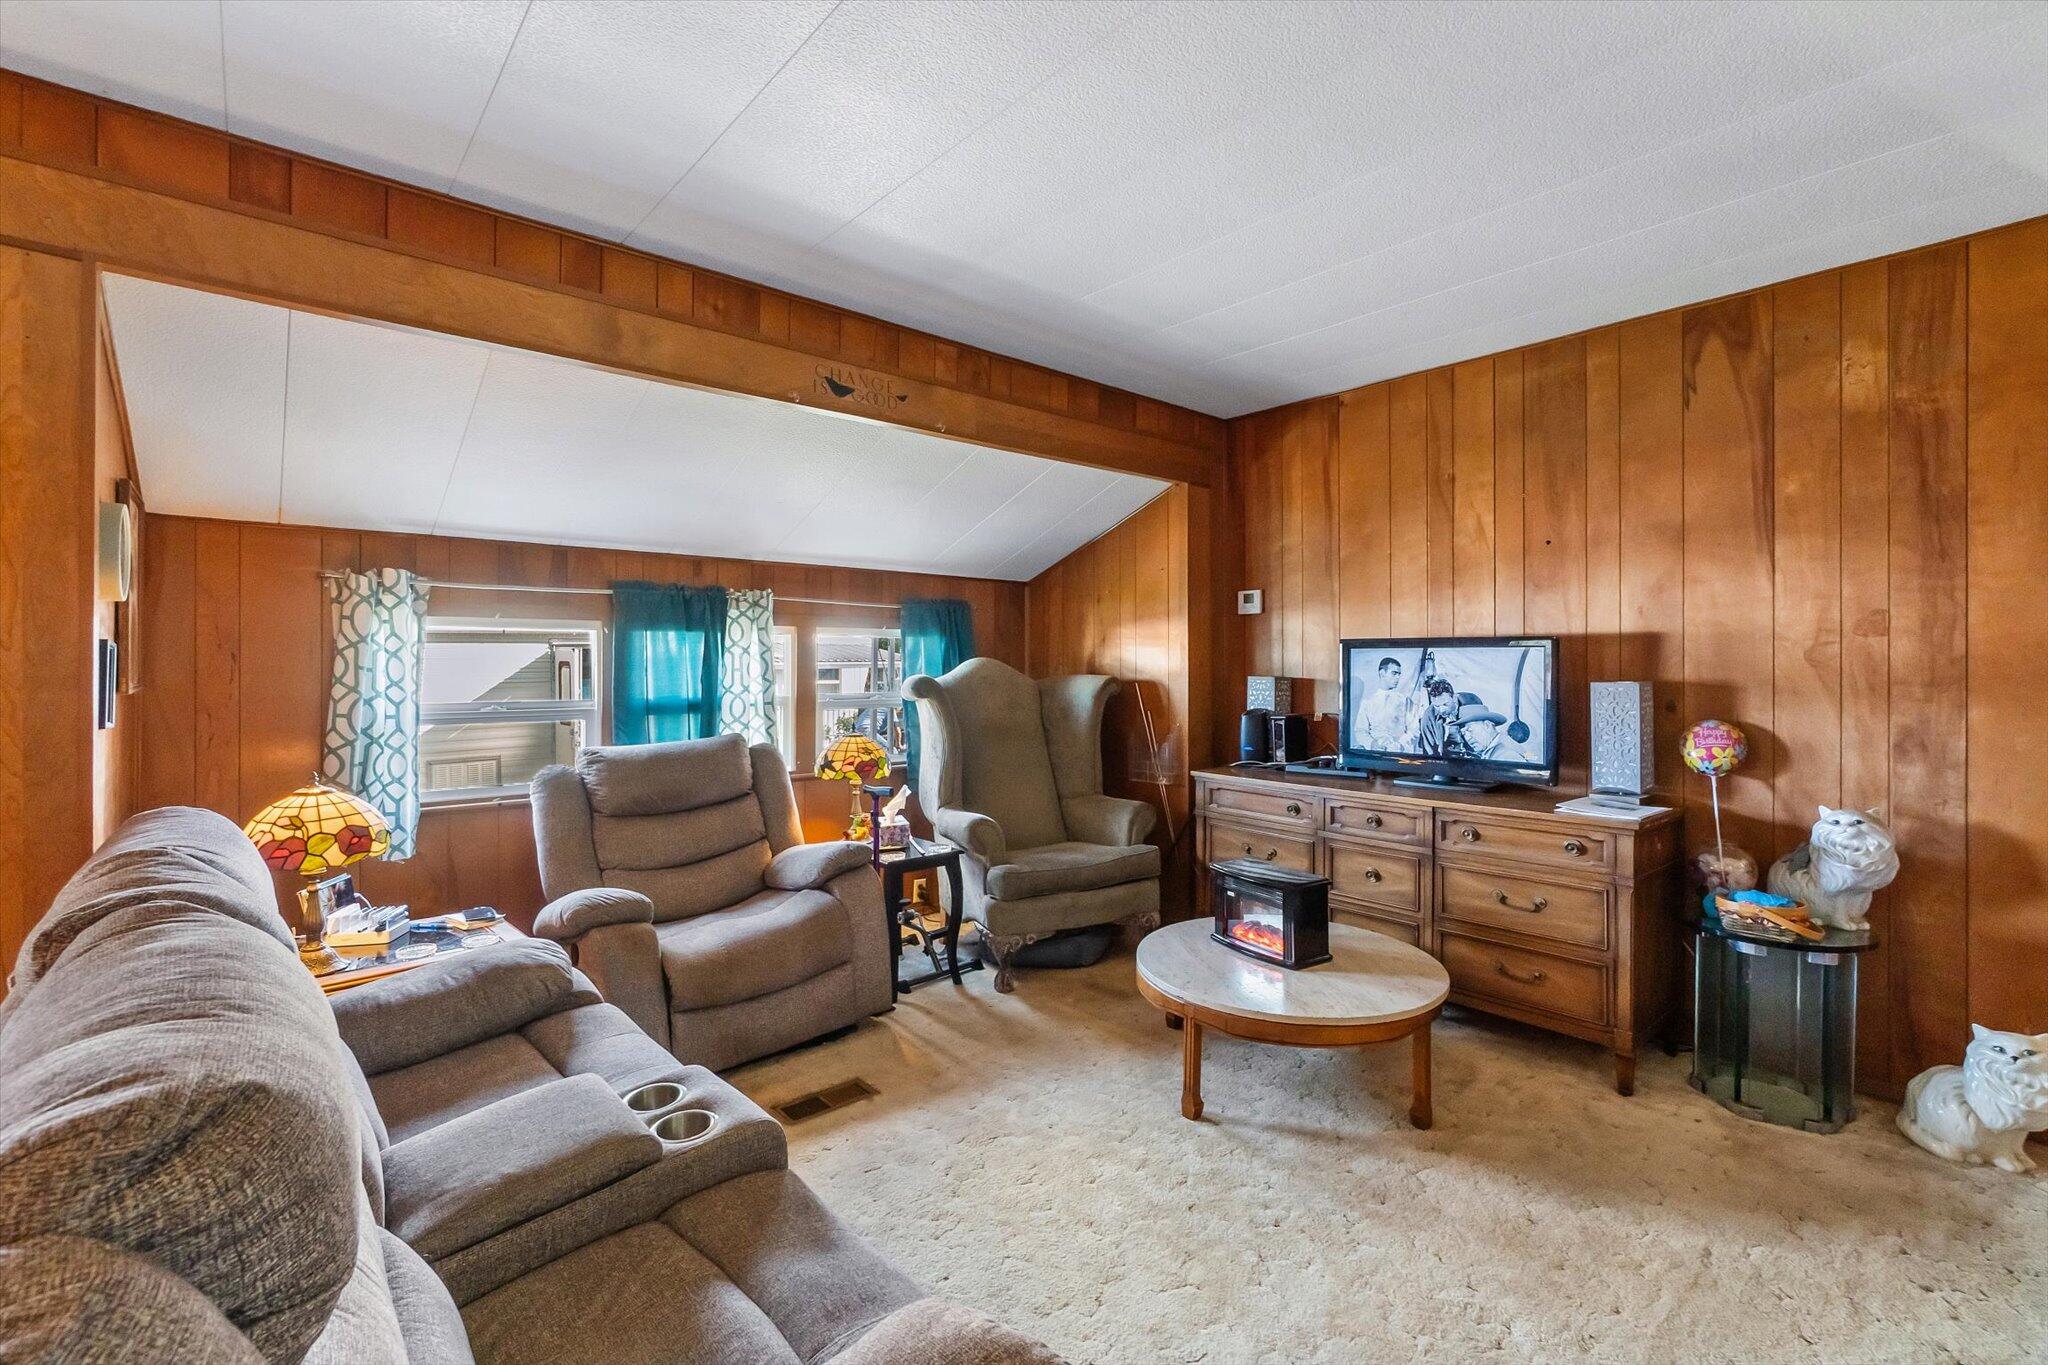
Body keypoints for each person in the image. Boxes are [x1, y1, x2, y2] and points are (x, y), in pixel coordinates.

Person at [1448, 693, 1532, 763]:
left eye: (1470, 730)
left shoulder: (1505, 756)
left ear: (1487, 725)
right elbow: (1531, 756)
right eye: (1464, 733)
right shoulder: (1504, 743)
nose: (1467, 738)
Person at [1354, 656, 1414, 750]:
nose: (1398, 677)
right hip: (1375, 755)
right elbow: (1360, 730)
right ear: (1382, 673)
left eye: (1399, 674)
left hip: (1400, 754)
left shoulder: (1405, 701)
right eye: (1394, 673)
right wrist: (1372, 744)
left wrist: (1400, 745)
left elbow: (1413, 729)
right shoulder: (1368, 702)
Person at [1413, 678, 1460, 756]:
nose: (1441, 710)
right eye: (1437, 706)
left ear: (1454, 698)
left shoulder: (1470, 702)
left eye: (1445, 704)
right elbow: (1430, 752)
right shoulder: (1427, 717)